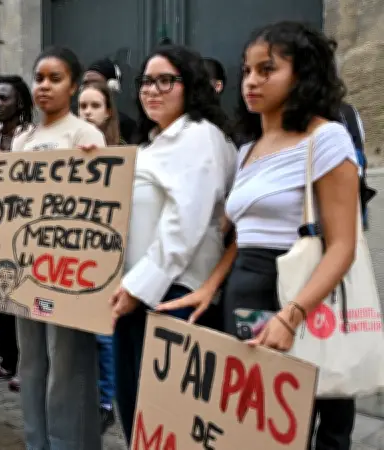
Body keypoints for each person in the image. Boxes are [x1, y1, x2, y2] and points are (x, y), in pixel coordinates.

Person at [160, 21, 359, 450]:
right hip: (246, 294)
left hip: (303, 291)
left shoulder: (326, 138)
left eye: (267, 70)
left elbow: (343, 244)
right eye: (247, 70)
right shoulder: (247, 149)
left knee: (320, 413)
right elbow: (243, 236)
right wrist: (212, 285)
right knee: (260, 425)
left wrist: (292, 315)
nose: (251, 81)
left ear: (303, 75)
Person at [108, 44, 237, 443]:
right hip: (136, 293)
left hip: (174, 298)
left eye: (166, 80)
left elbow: (183, 226)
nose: (153, 90)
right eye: (146, 81)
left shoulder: (200, 137)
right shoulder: (152, 144)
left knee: (168, 422)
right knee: (138, 415)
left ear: (191, 86)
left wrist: (136, 287)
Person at [11, 47, 105, 450]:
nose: (44, 86)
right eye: (39, 78)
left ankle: (68, 443)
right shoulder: (23, 138)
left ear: (73, 85)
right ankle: (37, 442)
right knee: (31, 362)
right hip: (27, 267)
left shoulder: (85, 134)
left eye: (55, 78)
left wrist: (95, 163)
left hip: (67, 269)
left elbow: (104, 198)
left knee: (65, 365)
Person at [0, 75, 34, 393]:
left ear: (20, 103)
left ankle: (27, 364)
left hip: (23, 230)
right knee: (0, 299)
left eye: (5, 99)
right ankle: (7, 359)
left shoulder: (32, 136)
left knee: (23, 298)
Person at [76, 80, 122, 433]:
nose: (88, 112)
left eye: (94, 106)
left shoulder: (123, 153)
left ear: (108, 111)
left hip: (109, 255)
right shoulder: (69, 150)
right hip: (74, 254)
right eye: (83, 107)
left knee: (105, 335)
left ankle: (106, 399)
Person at [82, 58, 139, 144]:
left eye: (95, 83)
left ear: (112, 87)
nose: (89, 88)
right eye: (86, 83)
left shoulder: (128, 127)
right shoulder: (72, 125)